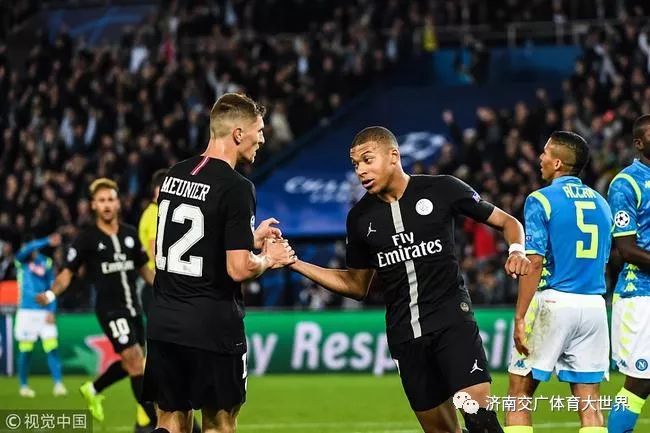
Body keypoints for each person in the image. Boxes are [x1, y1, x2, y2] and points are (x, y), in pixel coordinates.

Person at [289, 126, 530, 433]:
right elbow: (356, 285)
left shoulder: (443, 188)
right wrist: (295, 263)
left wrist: (516, 250)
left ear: (393, 156)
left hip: (452, 323)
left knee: (479, 419)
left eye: (367, 160)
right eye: (355, 164)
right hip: (405, 337)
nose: (360, 171)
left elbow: (508, 222)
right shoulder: (359, 218)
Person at [142, 93, 295, 433]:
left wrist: (247, 238)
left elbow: (195, 239)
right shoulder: (236, 187)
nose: (262, 139)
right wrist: (268, 258)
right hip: (211, 326)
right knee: (219, 423)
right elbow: (238, 269)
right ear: (238, 133)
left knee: (170, 419)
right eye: (259, 130)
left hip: (165, 321)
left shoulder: (174, 175)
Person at [506, 131, 612, 433]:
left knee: (519, 394)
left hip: (554, 301)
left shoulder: (540, 199)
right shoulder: (602, 203)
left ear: (557, 164)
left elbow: (535, 262)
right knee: (590, 403)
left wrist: (520, 316)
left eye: (544, 153)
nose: (540, 158)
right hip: (594, 306)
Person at [36, 178, 157, 427]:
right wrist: (51, 294)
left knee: (132, 362)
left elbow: (145, 270)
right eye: (101, 201)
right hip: (110, 310)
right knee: (135, 360)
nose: (107, 205)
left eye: (110, 199)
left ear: (118, 203)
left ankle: (93, 388)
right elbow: (67, 274)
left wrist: (170, 288)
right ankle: (158, 422)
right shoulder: (86, 239)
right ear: (93, 205)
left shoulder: (130, 234)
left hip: (134, 309)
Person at [607, 114, 650, 433]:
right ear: (639, 143)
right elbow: (626, 248)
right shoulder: (626, 183)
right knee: (640, 382)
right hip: (640, 294)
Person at [14, 233, 67, 398]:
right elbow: (27, 249)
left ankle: (58, 384)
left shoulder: (46, 262)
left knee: (52, 347)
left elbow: (52, 287)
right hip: (26, 312)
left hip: (44, 311)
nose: (30, 249)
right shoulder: (20, 261)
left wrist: (52, 310)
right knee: (26, 350)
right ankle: (23, 386)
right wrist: (46, 241)